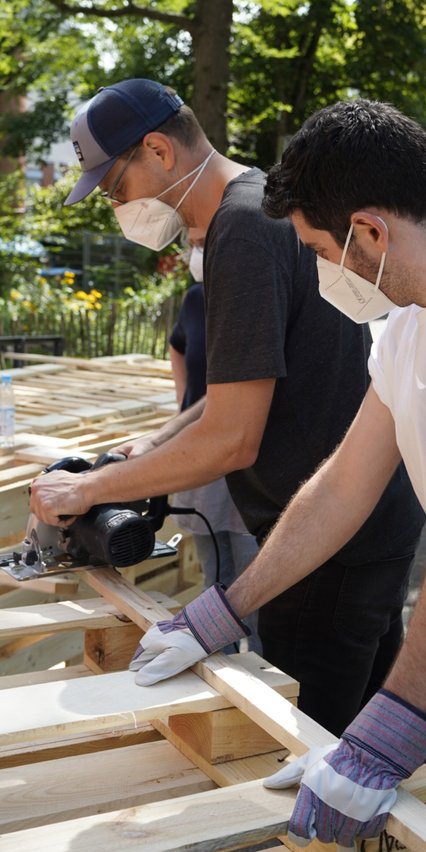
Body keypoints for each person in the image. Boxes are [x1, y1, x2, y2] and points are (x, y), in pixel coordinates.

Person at [127, 97, 426, 852]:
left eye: (319, 251)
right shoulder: (411, 327)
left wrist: (391, 727)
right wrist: (227, 607)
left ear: (372, 232)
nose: (321, 272)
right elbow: (341, 488)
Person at [29, 77, 426, 744]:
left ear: (158, 151)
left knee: (308, 754)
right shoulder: (259, 205)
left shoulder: (241, 230)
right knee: (383, 754)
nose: (116, 206)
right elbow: (237, 391)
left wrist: (89, 487)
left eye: (114, 188)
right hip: (367, 529)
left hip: (324, 550)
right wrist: (149, 451)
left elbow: (233, 439)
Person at [167, 256, 261, 652]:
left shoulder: (254, 300)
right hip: (202, 458)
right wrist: (183, 412)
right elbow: (177, 346)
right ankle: (218, 667)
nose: (198, 250)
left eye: (204, 242)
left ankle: (260, 679)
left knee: (253, 581)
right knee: (213, 573)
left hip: (246, 458)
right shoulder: (195, 300)